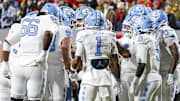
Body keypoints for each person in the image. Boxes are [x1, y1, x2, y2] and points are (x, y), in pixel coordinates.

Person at [1, 3, 59, 101]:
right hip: (35, 65)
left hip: (18, 66)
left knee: (15, 98)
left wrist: (5, 64)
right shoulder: (49, 20)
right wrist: (43, 54)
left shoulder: (24, 21)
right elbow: (48, 34)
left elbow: (7, 43)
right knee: (34, 98)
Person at [70, 10, 121, 101]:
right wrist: (117, 80)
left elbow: (77, 59)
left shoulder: (83, 35)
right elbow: (115, 62)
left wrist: (73, 72)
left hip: (89, 80)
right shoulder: (110, 35)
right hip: (106, 80)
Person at [43, 6, 74, 101]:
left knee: (44, 97)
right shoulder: (64, 29)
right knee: (58, 97)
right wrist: (70, 71)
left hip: (42, 67)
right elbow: (65, 48)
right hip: (57, 68)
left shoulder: (40, 26)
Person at [149, 9, 179, 101]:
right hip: (158, 72)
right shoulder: (155, 31)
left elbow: (175, 53)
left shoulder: (166, 31)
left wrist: (170, 73)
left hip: (166, 72)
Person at [129, 16, 162, 101]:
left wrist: (134, 82)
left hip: (147, 79)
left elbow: (142, 63)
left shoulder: (141, 39)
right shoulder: (152, 38)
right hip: (156, 78)